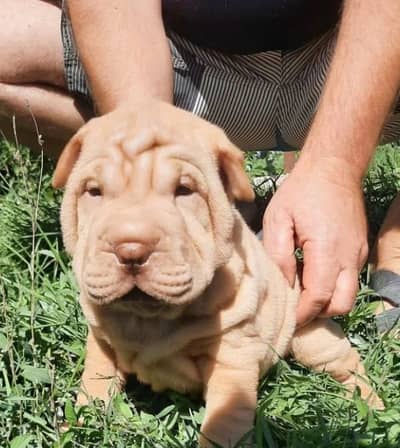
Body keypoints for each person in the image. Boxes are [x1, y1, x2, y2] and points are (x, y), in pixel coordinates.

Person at [1, 0, 400, 328]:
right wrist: (152, 173)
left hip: (354, 56)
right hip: (186, 65)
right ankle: (211, 197)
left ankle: (396, 239)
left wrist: (334, 167)